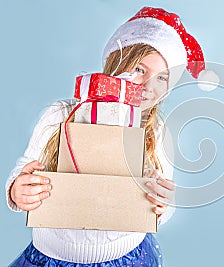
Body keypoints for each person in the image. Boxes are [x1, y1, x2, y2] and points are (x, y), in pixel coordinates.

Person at [5, 6, 213, 267]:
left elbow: (162, 201)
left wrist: (164, 205)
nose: (149, 86)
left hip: (127, 256)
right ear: (116, 64)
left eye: (162, 78)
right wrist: (17, 190)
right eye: (139, 70)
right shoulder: (61, 114)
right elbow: (23, 170)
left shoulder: (156, 132)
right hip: (53, 256)